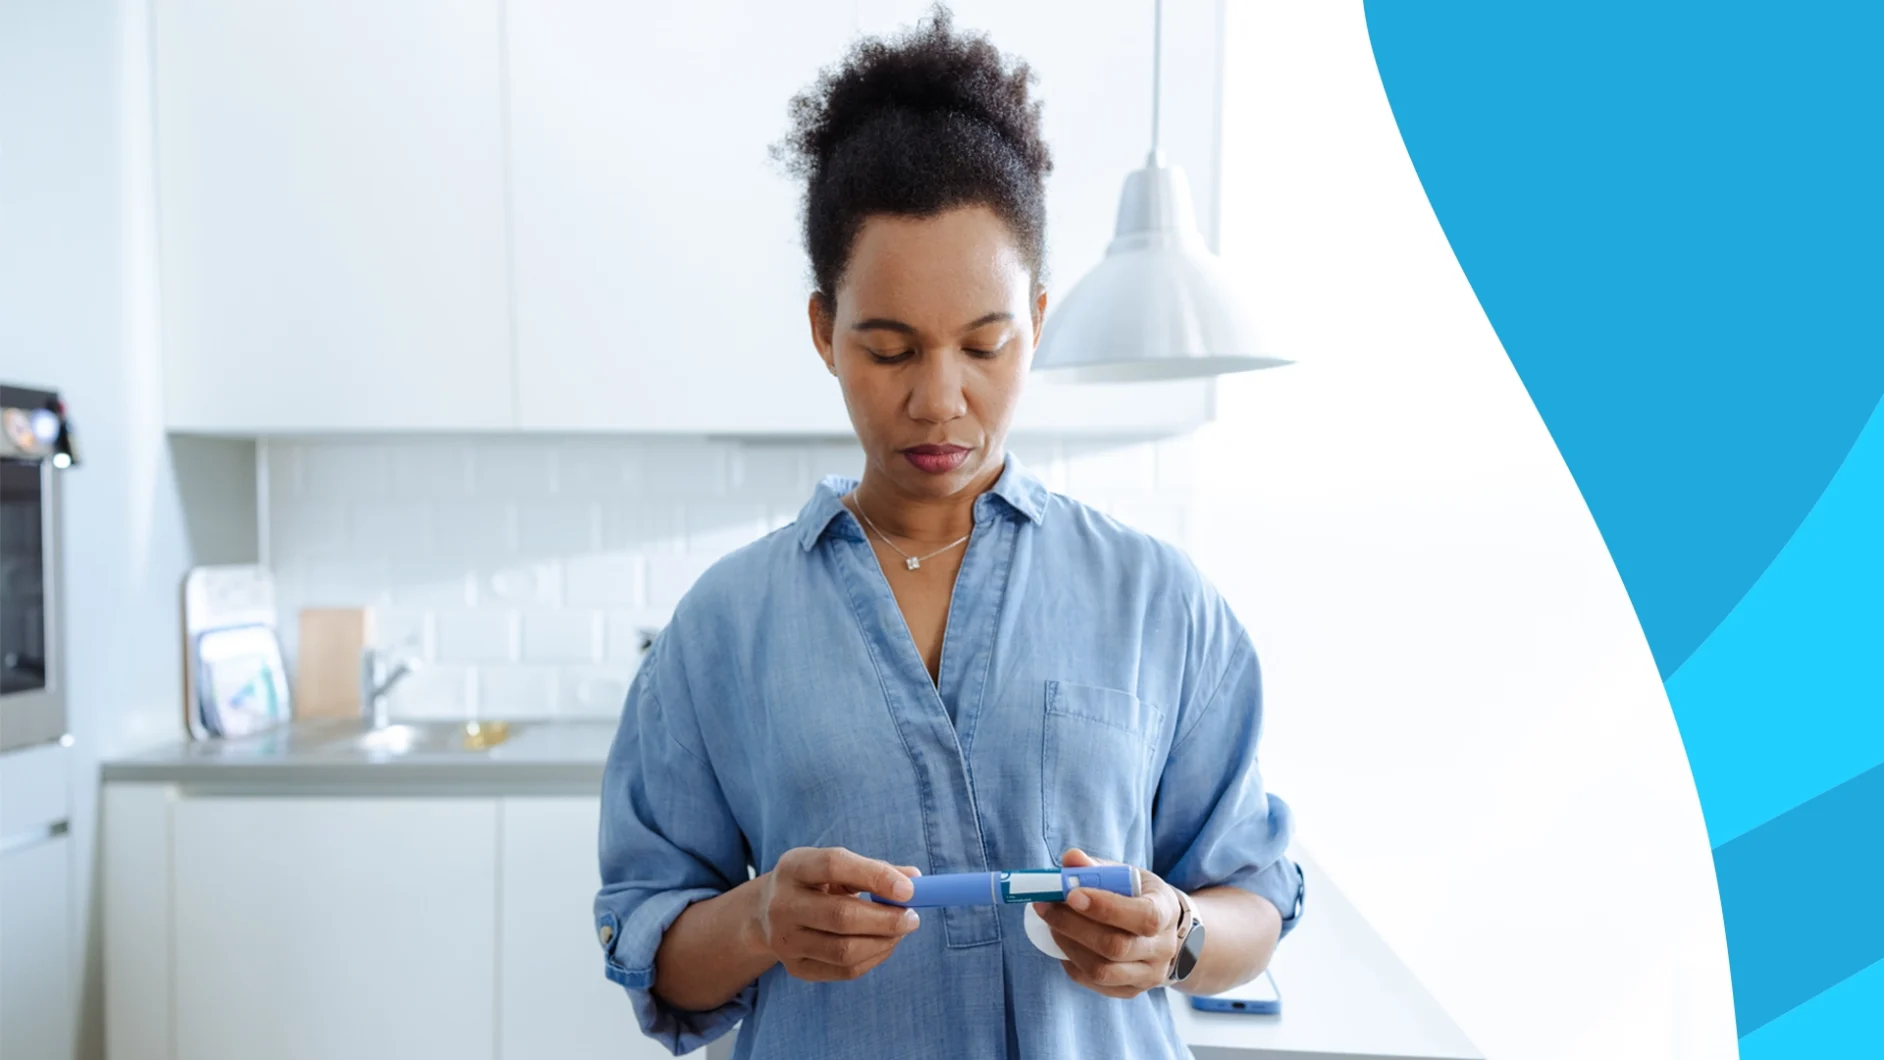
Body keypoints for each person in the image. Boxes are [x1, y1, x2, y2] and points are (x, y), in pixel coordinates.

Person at [595, 8, 1303, 1057]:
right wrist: (760, 922)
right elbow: (650, 939)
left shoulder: (1157, 598)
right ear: (823, 331)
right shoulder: (724, 628)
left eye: (985, 344)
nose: (940, 400)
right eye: (888, 349)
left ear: (1040, 319)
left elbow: (1255, 893)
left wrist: (1180, 934)